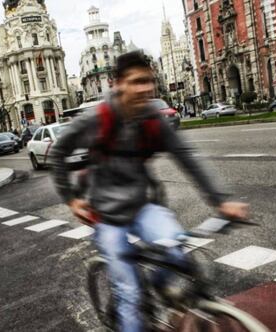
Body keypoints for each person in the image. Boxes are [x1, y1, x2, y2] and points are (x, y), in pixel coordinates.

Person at [50, 51, 249, 332]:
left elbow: (187, 157)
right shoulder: (97, 119)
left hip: (144, 206)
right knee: (129, 294)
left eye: (149, 81)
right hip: (106, 217)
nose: (146, 88)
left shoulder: (152, 118)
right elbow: (58, 152)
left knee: (177, 252)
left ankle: (159, 295)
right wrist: (70, 198)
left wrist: (222, 200)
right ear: (117, 83)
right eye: (137, 81)